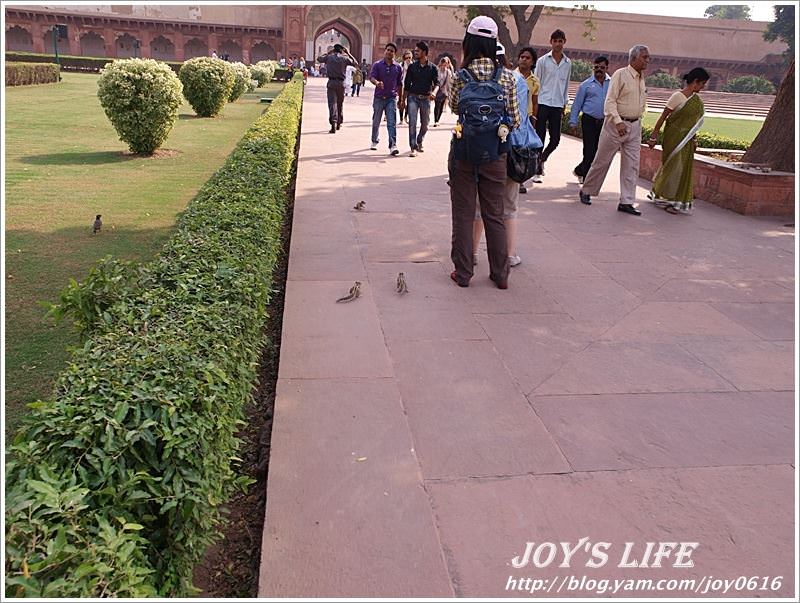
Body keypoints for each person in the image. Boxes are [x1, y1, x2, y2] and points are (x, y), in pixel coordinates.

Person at [449, 16, 520, 290]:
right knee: (494, 214)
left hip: (464, 152)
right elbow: (513, 118)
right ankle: (500, 275)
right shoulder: (507, 78)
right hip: (495, 154)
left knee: (464, 214)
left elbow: (456, 108)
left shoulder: (460, 76)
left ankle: (463, 273)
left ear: (469, 42)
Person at [472, 43, 541, 269]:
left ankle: (472, 252)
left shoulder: (478, 80)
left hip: (484, 151)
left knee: (481, 204)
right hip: (511, 151)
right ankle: (509, 255)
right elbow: (519, 119)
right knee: (509, 205)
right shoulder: (517, 81)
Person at [579, 45, 651, 215]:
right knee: (602, 161)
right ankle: (587, 190)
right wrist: (618, 122)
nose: (647, 60)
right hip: (616, 126)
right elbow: (610, 101)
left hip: (634, 126)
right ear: (633, 58)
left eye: (648, 57)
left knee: (631, 166)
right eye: (645, 57)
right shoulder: (621, 75)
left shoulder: (641, 78)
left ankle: (626, 201)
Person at [647, 67, 711, 214]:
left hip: (686, 141)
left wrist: (694, 140)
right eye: (702, 84)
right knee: (672, 167)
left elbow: (692, 125)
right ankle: (668, 198)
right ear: (695, 82)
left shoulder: (696, 101)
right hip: (673, 138)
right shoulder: (677, 96)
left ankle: (672, 199)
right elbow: (663, 117)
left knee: (681, 169)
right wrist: (653, 136)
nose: (702, 87)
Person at [533, 29, 571, 182]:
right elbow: (536, 83)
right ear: (551, 42)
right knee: (539, 137)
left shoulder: (568, 63)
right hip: (542, 103)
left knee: (555, 139)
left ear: (564, 42)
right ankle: (537, 169)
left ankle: (542, 159)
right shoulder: (543, 61)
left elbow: (566, 84)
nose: (557, 44)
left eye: (560, 41)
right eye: (555, 41)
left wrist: (564, 104)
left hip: (557, 105)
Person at [568, 56, 611, 184]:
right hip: (589, 121)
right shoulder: (586, 85)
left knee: (598, 152)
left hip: (604, 122)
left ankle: (580, 170)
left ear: (607, 68)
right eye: (596, 67)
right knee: (589, 150)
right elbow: (577, 104)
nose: (599, 70)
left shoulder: (613, 84)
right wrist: (573, 122)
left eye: (602, 68)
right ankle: (587, 180)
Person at [401, 41, 439, 157]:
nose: (415, 52)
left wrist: (434, 92)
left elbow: (437, 83)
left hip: (426, 98)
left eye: (417, 51)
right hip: (413, 97)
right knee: (412, 122)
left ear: (424, 52)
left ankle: (419, 140)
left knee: (425, 124)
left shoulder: (432, 68)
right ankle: (413, 146)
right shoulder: (412, 67)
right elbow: (407, 85)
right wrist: (403, 100)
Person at [369, 42, 404, 156]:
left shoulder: (398, 67)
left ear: (394, 54)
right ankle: (374, 140)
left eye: (392, 51)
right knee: (376, 121)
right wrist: (377, 83)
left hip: (391, 98)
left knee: (391, 122)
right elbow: (372, 77)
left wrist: (401, 99)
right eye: (388, 50)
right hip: (379, 97)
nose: (389, 52)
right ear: (385, 51)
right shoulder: (378, 65)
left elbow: (400, 84)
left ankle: (393, 145)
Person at [316, 43, 358, 133]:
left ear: (333, 50)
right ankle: (339, 123)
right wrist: (348, 53)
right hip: (341, 83)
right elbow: (355, 63)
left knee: (332, 103)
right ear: (342, 51)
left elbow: (319, 59)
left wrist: (328, 53)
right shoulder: (344, 58)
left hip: (331, 82)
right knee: (339, 103)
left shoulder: (329, 57)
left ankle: (333, 123)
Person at [515, 46, 540, 193]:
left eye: (527, 58)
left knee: (524, 150)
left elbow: (535, 101)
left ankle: (521, 180)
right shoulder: (511, 76)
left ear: (533, 62)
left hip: (527, 119)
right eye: (522, 57)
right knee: (513, 148)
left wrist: (534, 118)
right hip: (513, 118)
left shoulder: (535, 81)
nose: (523, 59)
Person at [433, 56, 454, 127]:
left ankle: (438, 120)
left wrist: (449, 92)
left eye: (446, 64)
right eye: (443, 64)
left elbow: (450, 82)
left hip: (444, 91)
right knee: (437, 105)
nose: (444, 66)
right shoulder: (437, 70)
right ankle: (436, 120)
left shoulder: (448, 72)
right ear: (441, 63)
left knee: (441, 106)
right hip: (437, 90)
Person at [398, 51, 413, 124]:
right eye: (407, 57)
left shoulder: (414, 65)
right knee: (401, 102)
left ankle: (405, 116)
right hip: (403, 85)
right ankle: (401, 119)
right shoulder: (401, 65)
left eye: (409, 57)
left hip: (411, 86)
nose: (408, 59)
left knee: (410, 102)